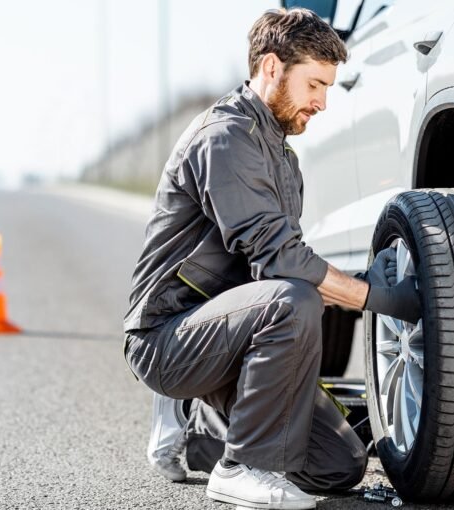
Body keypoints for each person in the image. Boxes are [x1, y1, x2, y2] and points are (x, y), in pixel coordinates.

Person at [123, 8, 421, 510]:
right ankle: (243, 468)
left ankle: (201, 430)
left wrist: (352, 284)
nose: (323, 102)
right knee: (292, 300)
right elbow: (282, 266)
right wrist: (374, 296)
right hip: (166, 336)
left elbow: (275, 266)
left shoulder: (283, 158)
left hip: (227, 333)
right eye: (314, 85)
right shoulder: (225, 138)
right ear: (270, 68)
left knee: (338, 465)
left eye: (328, 87)